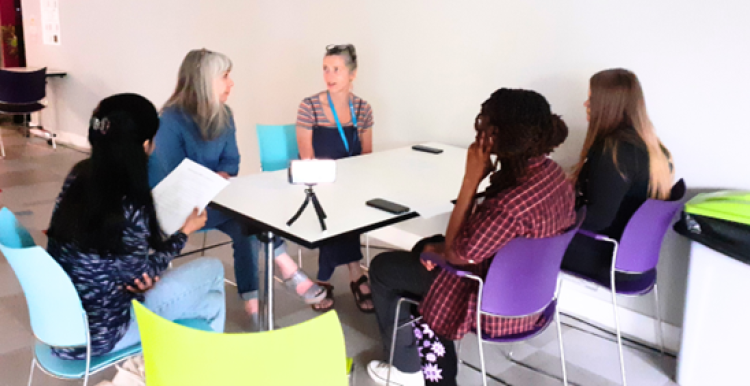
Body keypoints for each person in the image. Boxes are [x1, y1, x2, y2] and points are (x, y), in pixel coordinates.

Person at [365, 89, 576, 386]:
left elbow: (456, 254)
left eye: (484, 125)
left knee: (384, 268)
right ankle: (423, 344)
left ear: (498, 135)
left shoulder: (510, 206)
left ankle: (406, 369)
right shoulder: (554, 176)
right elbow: (483, 240)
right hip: (531, 295)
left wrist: (471, 179)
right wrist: (432, 248)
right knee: (422, 249)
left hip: (489, 301)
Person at [148, 49, 325, 322]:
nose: (231, 83)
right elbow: (179, 181)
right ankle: (287, 269)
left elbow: (232, 161)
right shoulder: (170, 120)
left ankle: (252, 305)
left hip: (217, 202)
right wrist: (214, 179)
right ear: (204, 80)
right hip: (184, 211)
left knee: (247, 228)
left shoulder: (225, 114)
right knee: (250, 217)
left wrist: (216, 178)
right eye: (225, 76)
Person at [47, 93, 226, 359]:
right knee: (213, 269)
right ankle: (196, 367)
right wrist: (185, 232)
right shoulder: (129, 202)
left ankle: (180, 367)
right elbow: (142, 278)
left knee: (210, 304)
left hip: (59, 327)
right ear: (144, 145)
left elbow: (124, 272)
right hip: (101, 332)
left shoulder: (79, 174)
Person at [561, 68, 674, 284]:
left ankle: (516, 314)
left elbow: (597, 220)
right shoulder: (655, 149)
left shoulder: (614, 152)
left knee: (519, 237)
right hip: (634, 261)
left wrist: (549, 217)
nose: (586, 104)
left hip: (606, 256)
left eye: (592, 99)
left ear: (608, 106)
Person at [296, 44, 375, 313]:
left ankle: (324, 277)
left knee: (348, 202)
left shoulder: (363, 109)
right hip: (317, 182)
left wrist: (350, 181)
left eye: (337, 69)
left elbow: (367, 155)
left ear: (352, 74)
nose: (329, 75)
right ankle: (355, 274)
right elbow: (307, 157)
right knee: (336, 205)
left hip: (351, 182)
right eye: (326, 69)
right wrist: (330, 180)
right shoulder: (309, 107)